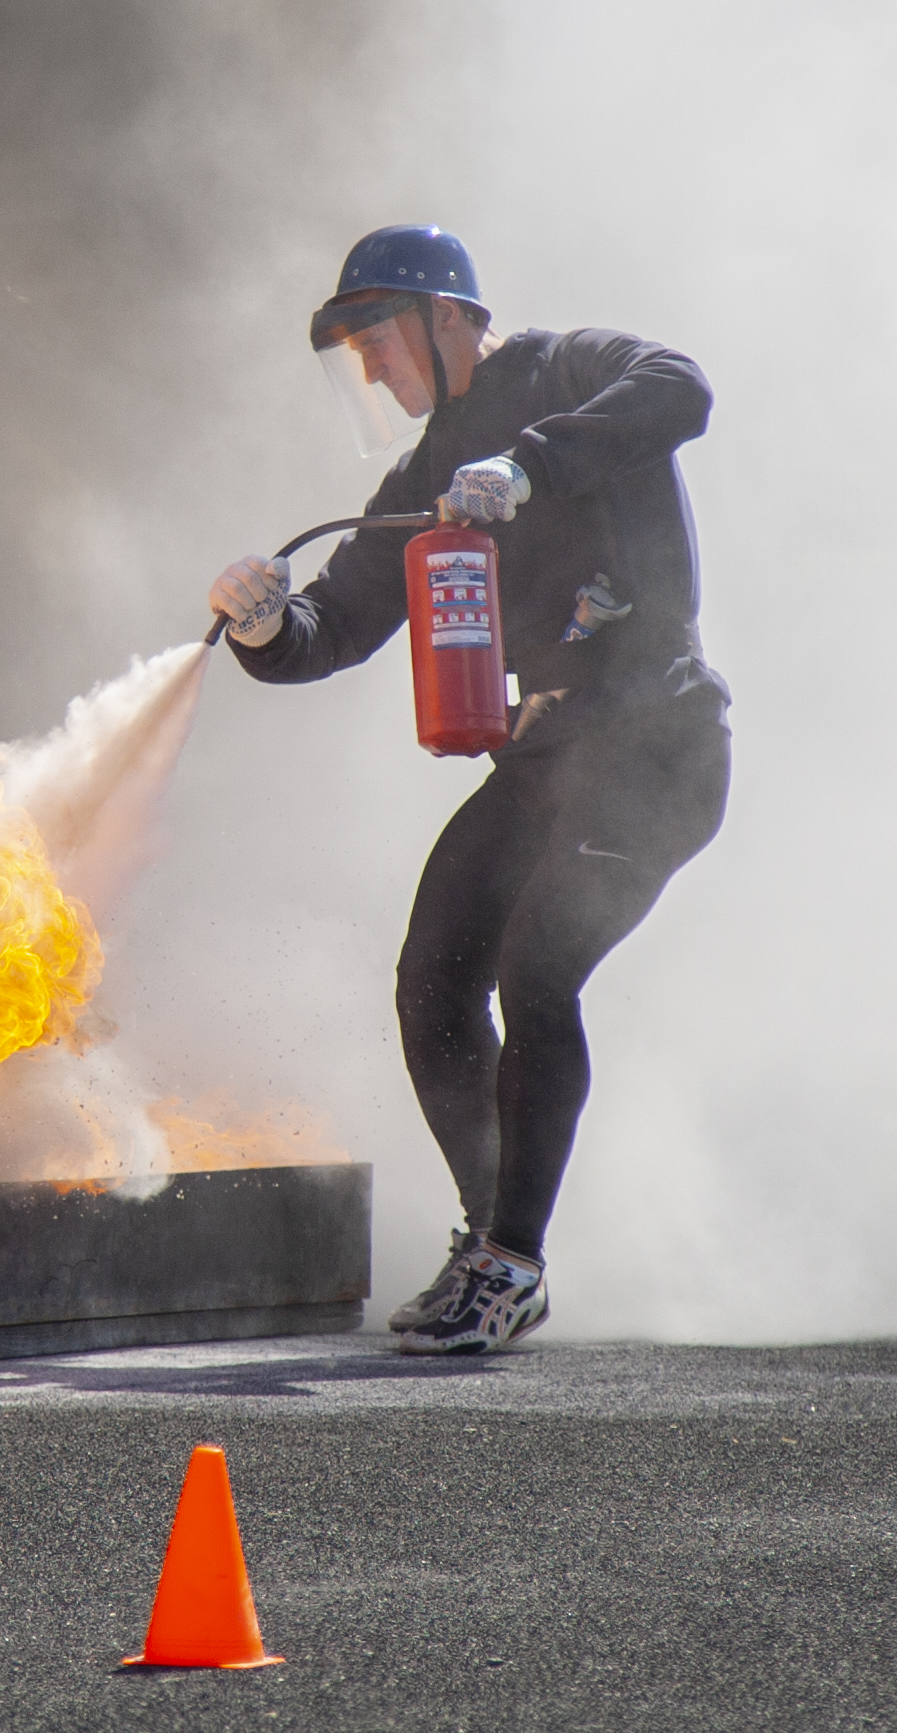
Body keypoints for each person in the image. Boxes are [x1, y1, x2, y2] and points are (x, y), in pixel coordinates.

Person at [207, 225, 729, 1354]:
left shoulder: (565, 369)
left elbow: (681, 388)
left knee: (535, 967)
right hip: (547, 766)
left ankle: (512, 1261)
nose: (372, 371)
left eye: (378, 339)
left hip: (656, 749)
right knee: (433, 977)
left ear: (450, 316)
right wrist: (261, 623)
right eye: (352, 353)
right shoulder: (420, 483)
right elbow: (331, 625)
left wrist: (530, 463)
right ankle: (491, 1230)